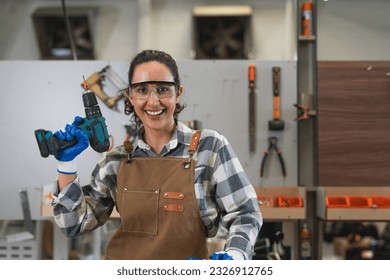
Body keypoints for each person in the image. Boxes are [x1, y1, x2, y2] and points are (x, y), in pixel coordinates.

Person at [51, 49, 262, 260]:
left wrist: (235, 256)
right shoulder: (116, 161)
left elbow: (245, 213)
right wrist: (66, 163)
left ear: (178, 93)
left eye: (162, 89)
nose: (153, 102)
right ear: (130, 96)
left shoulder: (209, 147)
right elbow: (74, 224)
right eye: (142, 90)